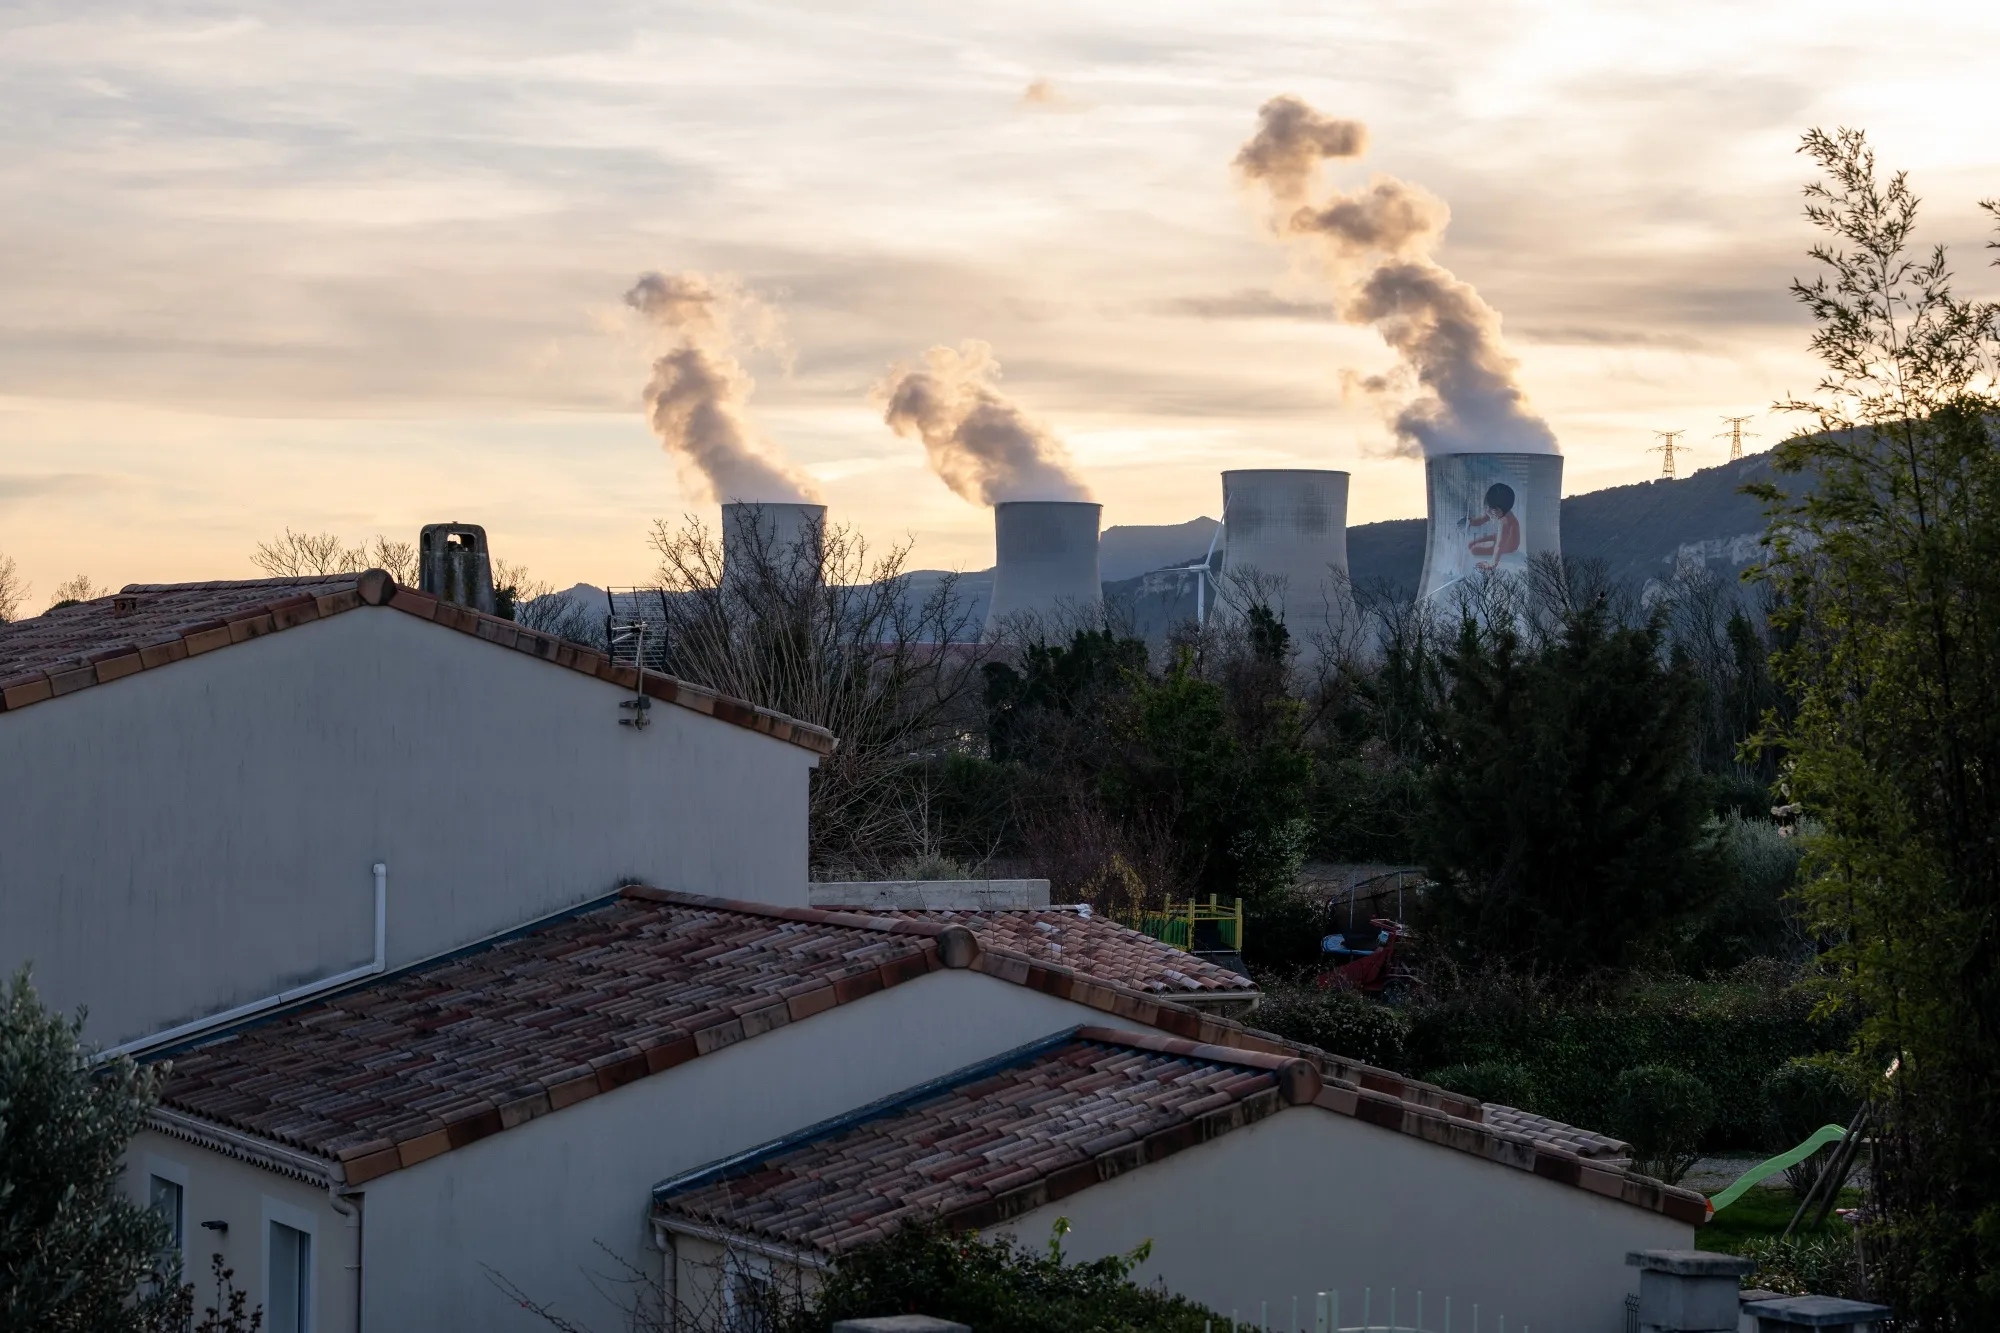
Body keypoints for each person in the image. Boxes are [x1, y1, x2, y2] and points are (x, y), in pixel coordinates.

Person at [1465, 481, 1521, 571]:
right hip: (1501, 537)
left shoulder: (1505, 521)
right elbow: (1480, 520)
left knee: (1474, 550)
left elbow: (1500, 545)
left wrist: (1492, 564)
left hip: (1509, 545)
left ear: (1503, 509)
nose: (1488, 510)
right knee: (1471, 544)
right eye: (1487, 506)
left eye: (1493, 508)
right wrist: (1469, 521)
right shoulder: (1495, 512)